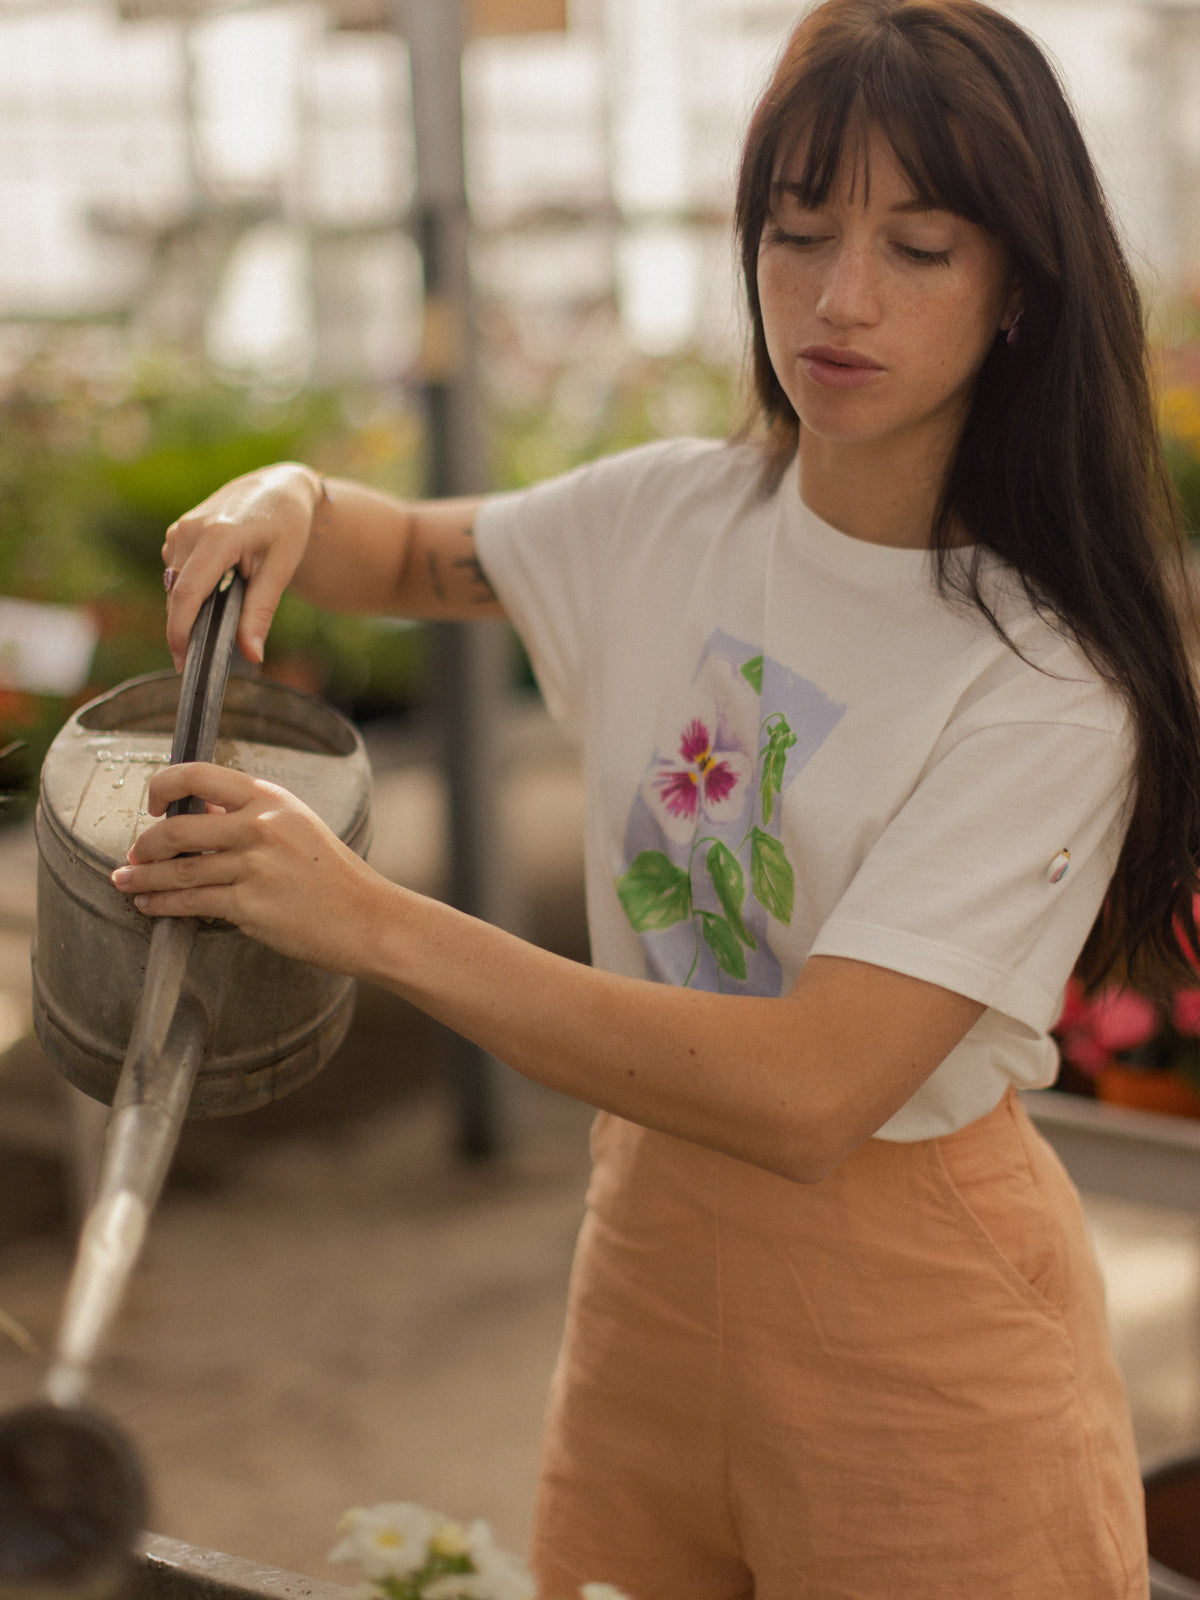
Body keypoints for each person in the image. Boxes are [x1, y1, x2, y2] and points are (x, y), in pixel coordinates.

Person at [112, 1, 1200, 1593]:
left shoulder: (1042, 675)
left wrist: (367, 922)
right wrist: (288, 495)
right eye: (797, 230)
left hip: (917, 1313)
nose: (836, 298)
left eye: (919, 247)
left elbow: (810, 1091)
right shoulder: (669, 515)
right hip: (645, 1255)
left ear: (1021, 285)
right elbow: (404, 547)